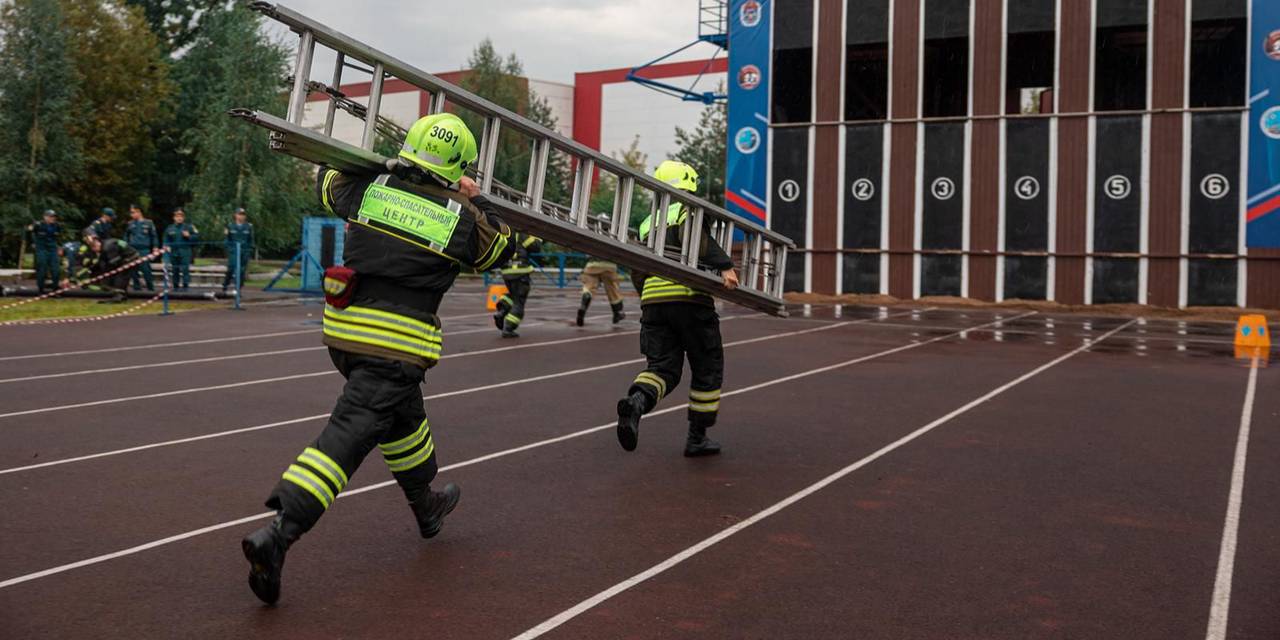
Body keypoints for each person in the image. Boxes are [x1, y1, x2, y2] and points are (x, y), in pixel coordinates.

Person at [240, 112, 514, 605]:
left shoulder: (369, 187)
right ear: (458, 167)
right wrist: (478, 199)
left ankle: (426, 505)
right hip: (394, 346)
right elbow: (500, 249)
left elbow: (327, 185)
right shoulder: (458, 217)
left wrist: (376, 164)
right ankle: (279, 533)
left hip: (344, 336)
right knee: (347, 437)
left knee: (403, 418)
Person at [615, 160, 739, 457]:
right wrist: (725, 265)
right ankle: (697, 438)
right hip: (689, 299)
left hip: (654, 302)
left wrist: (648, 297)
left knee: (662, 368)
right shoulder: (688, 209)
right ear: (689, 182)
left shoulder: (649, 221)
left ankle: (636, 402)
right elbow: (694, 240)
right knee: (707, 367)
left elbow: (638, 267)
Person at [65, 230, 141, 303]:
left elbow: (114, 263)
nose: (94, 251)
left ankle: (120, 296)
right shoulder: (103, 247)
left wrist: (105, 274)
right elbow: (102, 263)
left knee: (120, 273)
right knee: (111, 271)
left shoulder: (108, 247)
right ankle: (118, 293)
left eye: (93, 247)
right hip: (122, 258)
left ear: (97, 243)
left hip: (131, 258)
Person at [492, 232, 542, 338]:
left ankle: (502, 311)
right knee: (519, 302)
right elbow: (536, 246)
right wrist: (538, 236)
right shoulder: (522, 235)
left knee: (513, 295)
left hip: (506, 273)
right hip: (520, 273)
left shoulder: (505, 233)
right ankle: (508, 328)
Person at [577, 256, 626, 326]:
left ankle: (583, 306)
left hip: (592, 266)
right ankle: (617, 313)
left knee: (589, 287)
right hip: (609, 266)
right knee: (613, 291)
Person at [26, 210, 63, 293]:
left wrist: (60, 247)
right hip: (41, 249)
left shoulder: (57, 226)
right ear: (45, 217)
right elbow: (28, 233)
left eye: (54, 217)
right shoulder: (38, 225)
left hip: (52, 249)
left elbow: (59, 237)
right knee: (42, 268)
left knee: (56, 270)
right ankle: (41, 290)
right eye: (51, 216)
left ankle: (55, 289)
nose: (53, 218)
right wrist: (32, 243)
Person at [162, 209, 199, 290]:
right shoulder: (170, 228)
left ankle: (185, 286)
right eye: (177, 216)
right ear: (174, 217)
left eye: (181, 216)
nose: (179, 218)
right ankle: (176, 286)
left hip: (185, 251)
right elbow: (166, 239)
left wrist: (189, 236)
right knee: (175, 269)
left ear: (183, 218)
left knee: (185, 269)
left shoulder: (189, 227)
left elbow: (197, 238)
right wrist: (166, 246)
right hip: (174, 252)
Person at [125, 204, 159, 291]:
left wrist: (155, 247)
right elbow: (126, 236)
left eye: (133, 212)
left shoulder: (149, 223)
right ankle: (137, 289)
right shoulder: (130, 224)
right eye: (131, 213)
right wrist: (126, 247)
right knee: (133, 271)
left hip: (144, 250)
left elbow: (154, 236)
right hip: (133, 249)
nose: (131, 215)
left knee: (146, 270)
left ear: (139, 212)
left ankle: (150, 289)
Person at [222, 207, 254, 294]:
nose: (241, 216)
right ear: (235, 215)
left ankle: (238, 289)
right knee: (231, 268)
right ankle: (225, 284)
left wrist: (249, 250)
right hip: (233, 251)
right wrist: (229, 248)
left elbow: (250, 240)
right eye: (239, 214)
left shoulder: (248, 227)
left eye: (243, 215)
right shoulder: (230, 226)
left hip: (244, 251)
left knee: (241, 271)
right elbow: (227, 239)